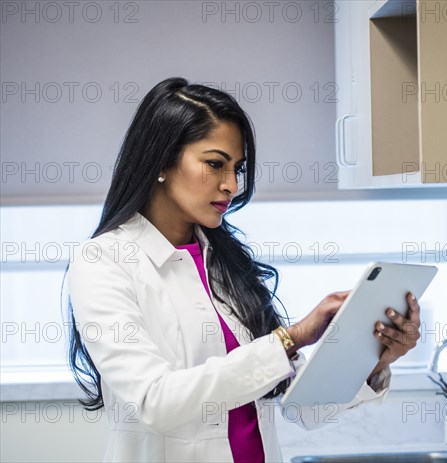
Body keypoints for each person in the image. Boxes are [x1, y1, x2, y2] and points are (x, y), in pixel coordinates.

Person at [66, 77, 422, 463]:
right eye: (215, 164)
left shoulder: (226, 263)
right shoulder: (103, 261)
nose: (231, 185)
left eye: (237, 168)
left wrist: (373, 360)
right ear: (161, 161)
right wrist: (290, 338)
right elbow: (155, 401)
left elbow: (300, 407)